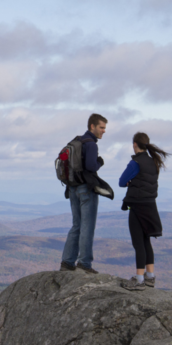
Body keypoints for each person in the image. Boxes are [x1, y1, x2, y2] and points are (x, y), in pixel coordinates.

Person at [119, 133, 170, 291]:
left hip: (137, 206)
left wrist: (130, 182)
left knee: (138, 243)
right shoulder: (153, 161)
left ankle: (139, 280)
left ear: (135, 144)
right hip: (150, 206)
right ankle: (150, 277)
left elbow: (121, 182)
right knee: (146, 241)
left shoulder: (135, 163)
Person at [60, 114, 108, 275]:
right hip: (86, 190)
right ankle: (84, 263)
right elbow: (91, 167)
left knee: (76, 225)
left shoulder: (77, 141)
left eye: (104, 128)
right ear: (92, 126)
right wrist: (99, 162)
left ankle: (67, 262)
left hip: (72, 188)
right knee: (87, 227)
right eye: (101, 127)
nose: (104, 131)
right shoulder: (91, 145)